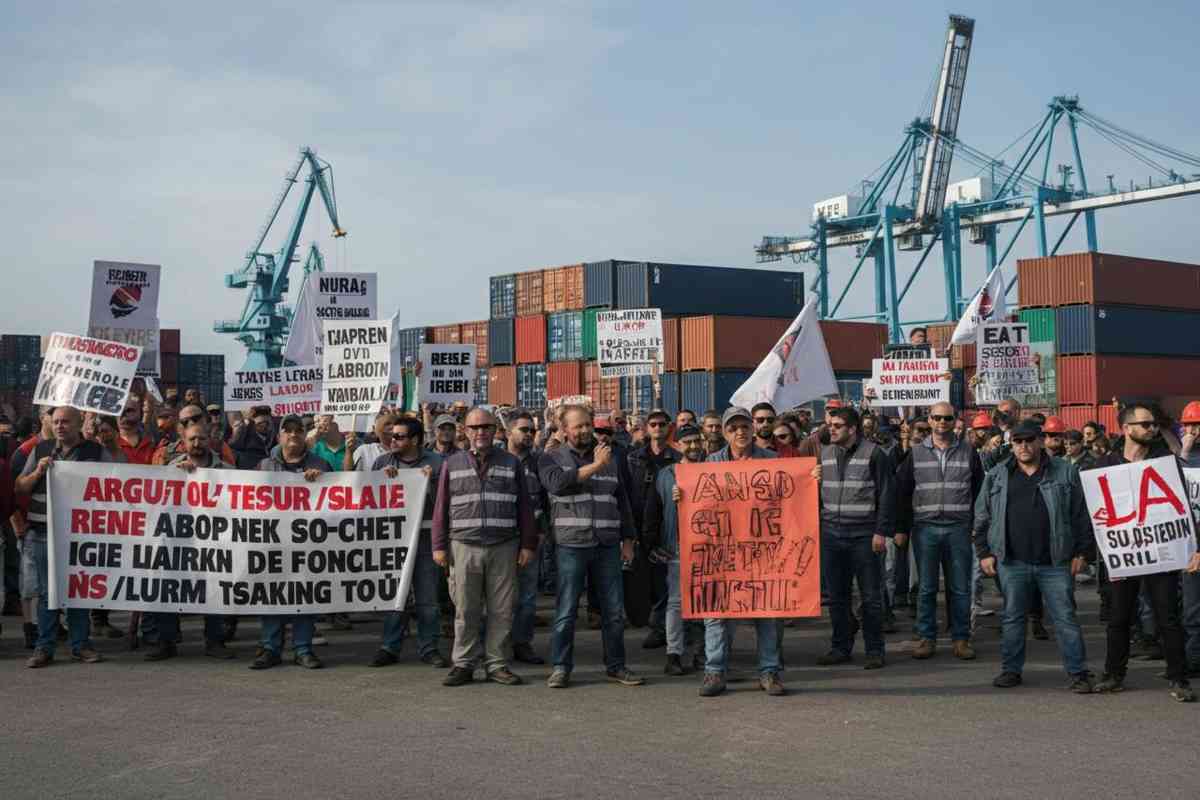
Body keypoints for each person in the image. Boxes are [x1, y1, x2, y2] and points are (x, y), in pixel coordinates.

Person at [973, 419, 1094, 692]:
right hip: (1011, 561)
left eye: (1029, 440)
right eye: (1018, 441)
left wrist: (1083, 552)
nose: (1024, 446)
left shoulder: (1065, 471)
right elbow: (982, 515)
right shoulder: (998, 474)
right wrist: (984, 552)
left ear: (1040, 441)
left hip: (1056, 561)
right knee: (1013, 618)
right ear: (1011, 444)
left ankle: (1078, 673)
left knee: (1065, 618)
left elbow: (1081, 514)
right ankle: (1011, 671)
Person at [1091, 404, 1199, 701]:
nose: (1152, 429)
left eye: (1153, 424)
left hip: (1160, 551)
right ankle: (1114, 675)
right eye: (1146, 424)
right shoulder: (1104, 465)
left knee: (1168, 617)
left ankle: (1179, 679)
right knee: (1118, 618)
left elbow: (1184, 507)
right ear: (1126, 429)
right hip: (1123, 553)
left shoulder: (1166, 463)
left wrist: (1195, 547)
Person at [432, 407, 539, 687]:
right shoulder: (452, 463)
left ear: (495, 431)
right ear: (465, 431)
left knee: (501, 610)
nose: (480, 432)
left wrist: (528, 544)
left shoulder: (511, 463)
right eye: (474, 427)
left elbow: (525, 507)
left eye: (486, 427)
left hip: (504, 546)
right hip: (463, 545)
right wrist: (439, 546)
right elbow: (441, 507)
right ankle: (464, 663)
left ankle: (497, 664)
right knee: (465, 610)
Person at [539, 404, 643, 689]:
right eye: (578, 426)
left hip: (607, 543)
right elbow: (558, 485)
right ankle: (561, 667)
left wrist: (629, 540)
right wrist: (596, 466)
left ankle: (616, 666)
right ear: (564, 430)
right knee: (566, 611)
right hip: (571, 544)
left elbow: (622, 500)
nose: (585, 430)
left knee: (613, 611)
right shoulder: (550, 458)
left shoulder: (611, 458)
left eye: (588, 424)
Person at [692, 407, 786, 697]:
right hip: (723, 551)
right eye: (733, 428)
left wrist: (811, 478)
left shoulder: (772, 460)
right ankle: (715, 672)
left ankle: (769, 672)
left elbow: (787, 498)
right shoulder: (712, 462)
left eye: (745, 426)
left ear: (752, 429)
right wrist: (682, 495)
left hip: (761, 549)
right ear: (724, 433)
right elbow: (702, 503)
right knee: (716, 612)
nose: (740, 432)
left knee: (766, 611)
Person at [17, 407, 114, 668]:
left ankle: (80, 645)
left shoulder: (96, 452)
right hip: (43, 532)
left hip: (80, 534)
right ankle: (44, 647)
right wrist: (38, 472)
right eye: (56, 421)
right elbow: (20, 487)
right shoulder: (41, 449)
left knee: (78, 591)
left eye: (66, 422)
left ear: (79, 423)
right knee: (47, 592)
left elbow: (120, 484)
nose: (60, 426)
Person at [895, 402, 984, 661]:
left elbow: (980, 492)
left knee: (960, 587)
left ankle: (961, 638)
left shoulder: (969, 453)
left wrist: (976, 526)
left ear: (955, 421)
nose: (942, 423)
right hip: (925, 528)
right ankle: (926, 638)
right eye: (937, 418)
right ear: (930, 420)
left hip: (959, 528)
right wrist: (901, 528)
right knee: (926, 587)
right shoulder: (915, 453)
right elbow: (902, 492)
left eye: (947, 418)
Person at [145, 419, 236, 661]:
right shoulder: (171, 468)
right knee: (168, 589)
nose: (197, 443)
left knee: (213, 590)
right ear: (183, 443)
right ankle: (166, 642)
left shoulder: (227, 470)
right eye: (192, 439)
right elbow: (157, 506)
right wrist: (177, 475)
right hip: (178, 541)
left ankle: (215, 641)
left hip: (213, 541)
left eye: (201, 438)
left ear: (210, 441)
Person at [816, 405, 896, 670]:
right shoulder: (824, 454)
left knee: (870, 596)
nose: (831, 429)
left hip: (864, 535)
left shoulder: (875, 454)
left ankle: (874, 650)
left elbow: (887, 494)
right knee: (837, 597)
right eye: (830, 425)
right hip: (831, 534)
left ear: (852, 429)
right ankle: (840, 647)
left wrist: (881, 532)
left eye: (837, 426)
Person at [251, 414, 329, 670]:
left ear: (305, 435)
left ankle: (303, 648)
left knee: (305, 595)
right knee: (272, 596)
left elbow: (337, 500)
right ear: (279, 436)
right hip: (272, 544)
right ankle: (270, 648)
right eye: (288, 430)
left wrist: (322, 481)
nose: (294, 434)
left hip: (307, 544)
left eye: (299, 430)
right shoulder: (264, 466)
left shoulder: (321, 465)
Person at [368, 416, 447, 668]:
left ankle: (429, 648)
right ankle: (389, 647)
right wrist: (383, 481)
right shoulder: (382, 462)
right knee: (394, 596)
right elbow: (370, 500)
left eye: (399, 436)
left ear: (415, 440)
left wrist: (429, 483)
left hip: (425, 538)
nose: (392, 440)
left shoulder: (437, 463)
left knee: (427, 599)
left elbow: (445, 503)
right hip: (393, 538)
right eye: (392, 435)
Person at [641, 423, 707, 675]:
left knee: (706, 602)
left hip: (708, 547)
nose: (693, 446)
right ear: (677, 445)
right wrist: (652, 545)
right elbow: (653, 511)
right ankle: (674, 655)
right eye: (687, 442)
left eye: (697, 441)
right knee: (676, 602)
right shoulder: (666, 475)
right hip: (677, 546)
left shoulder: (713, 470)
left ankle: (703, 653)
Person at [625, 408, 682, 649]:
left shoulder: (677, 459)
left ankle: (660, 628)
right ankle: (650, 621)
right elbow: (626, 492)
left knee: (664, 581)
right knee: (643, 577)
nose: (658, 428)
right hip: (640, 524)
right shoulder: (633, 458)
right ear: (647, 428)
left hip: (666, 525)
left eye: (662, 424)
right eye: (654, 424)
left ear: (669, 427)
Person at [505, 409, 548, 666]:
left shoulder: (541, 461)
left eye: (532, 430)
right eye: (524, 430)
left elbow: (546, 500)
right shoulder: (496, 459)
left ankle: (522, 643)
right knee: (498, 596)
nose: (530, 434)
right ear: (508, 432)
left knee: (528, 596)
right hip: (500, 538)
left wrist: (541, 532)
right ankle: (495, 645)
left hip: (530, 538)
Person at [117, 397, 157, 465]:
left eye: (129, 410)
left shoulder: (153, 442)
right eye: (120, 410)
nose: (124, 414)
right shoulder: (106, 444)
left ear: (140, 413)